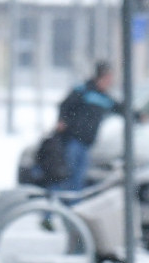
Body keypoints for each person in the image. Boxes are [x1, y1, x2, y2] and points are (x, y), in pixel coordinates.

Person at [50, 61, 122, 195]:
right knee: (64, 175)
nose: (110, 81)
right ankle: (53, 209)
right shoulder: (82, 91)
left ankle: (73, 209)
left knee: (78, 180)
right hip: (71, 141)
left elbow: (120, 108)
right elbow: (65, 106)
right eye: (108, 78)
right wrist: (62, 120)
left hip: (86, 144)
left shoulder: (105, 98)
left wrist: (140, 116)